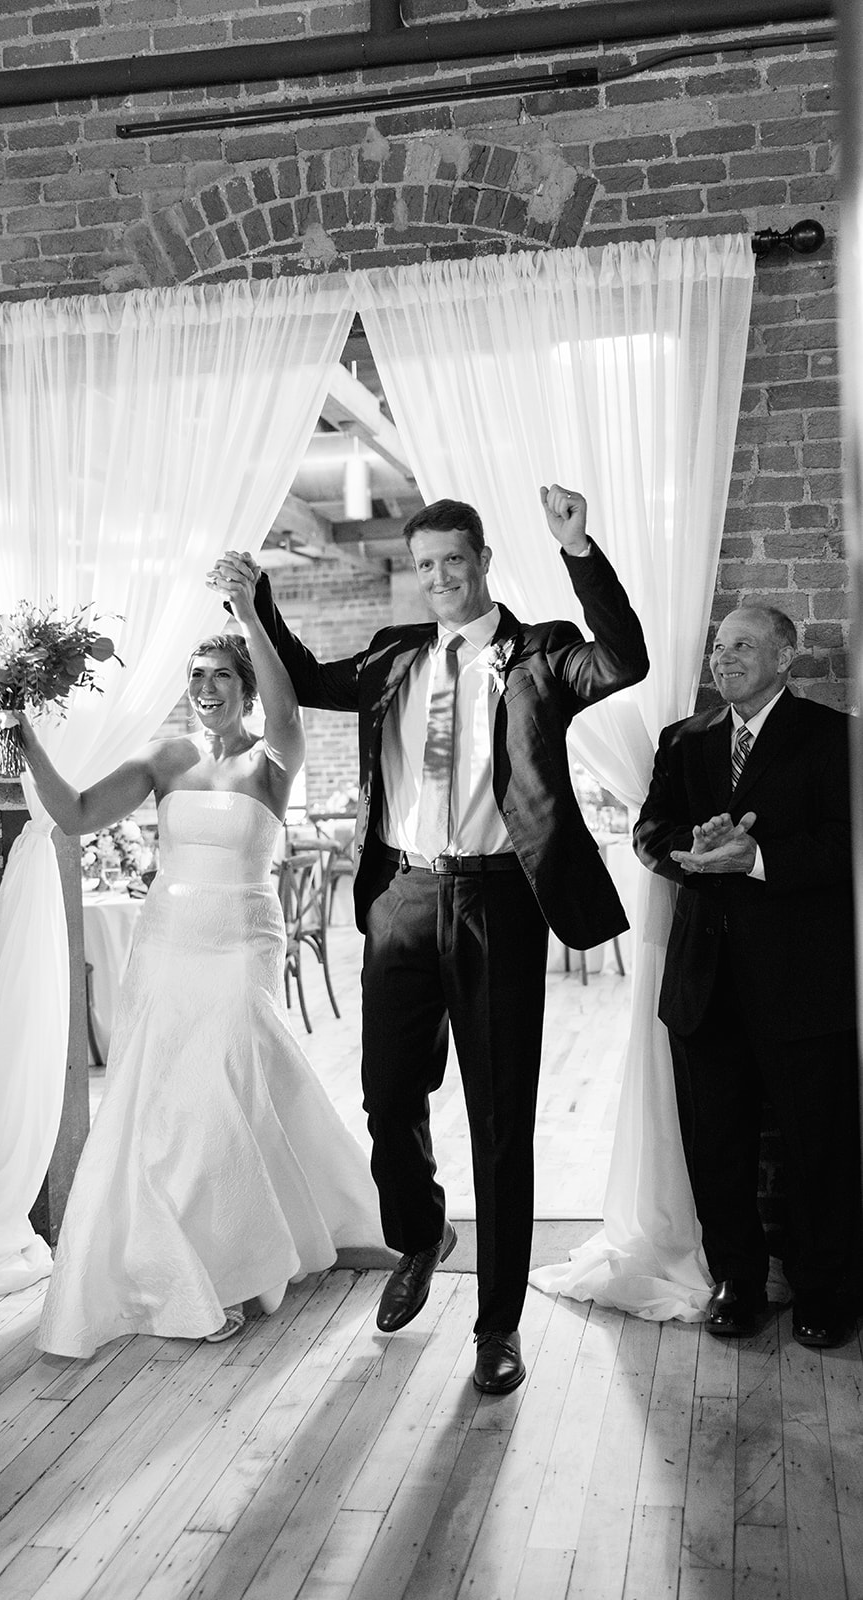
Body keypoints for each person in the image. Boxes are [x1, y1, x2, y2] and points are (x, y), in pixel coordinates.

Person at [211, 484, 649, 1394]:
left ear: (483, 561)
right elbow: (302, 678)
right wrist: (253, 604)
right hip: (404, 894)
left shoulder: (543, 654)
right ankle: (419, 1234)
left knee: (499, 1118)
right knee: (385, 1095)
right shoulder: (392, 656)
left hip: (500, 902)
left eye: (454, 561)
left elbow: (626, 660)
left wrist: (579, 548)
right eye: (424, 566)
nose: (440, 578)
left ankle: (497, 1327)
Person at [27, 564, 383, 1357]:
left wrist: (250, 616)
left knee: (219, 1088)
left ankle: (241, 1255)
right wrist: (25, 739)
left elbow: (289, 710)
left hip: (241, 940)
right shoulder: (163, 762)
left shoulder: (271, 760)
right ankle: (183, 1267)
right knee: (166, 1101)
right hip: (165, 944)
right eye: (195, 676)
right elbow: (77, 814)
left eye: (220, 676)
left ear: (247, 688)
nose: (204, 687)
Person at [634, 605, 861, 1348]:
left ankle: (823, 1289)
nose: (723, 659)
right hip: (704, 983)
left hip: (804, 984)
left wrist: (755, 859)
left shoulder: (834, 739)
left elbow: (845, 847)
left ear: (785, 658)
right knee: (717, 1145)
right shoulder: (683, 739)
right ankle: (736, 1281)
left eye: (743, 646)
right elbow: (649, 832)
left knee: (816, 1146)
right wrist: (691, 852)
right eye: (719, 646)